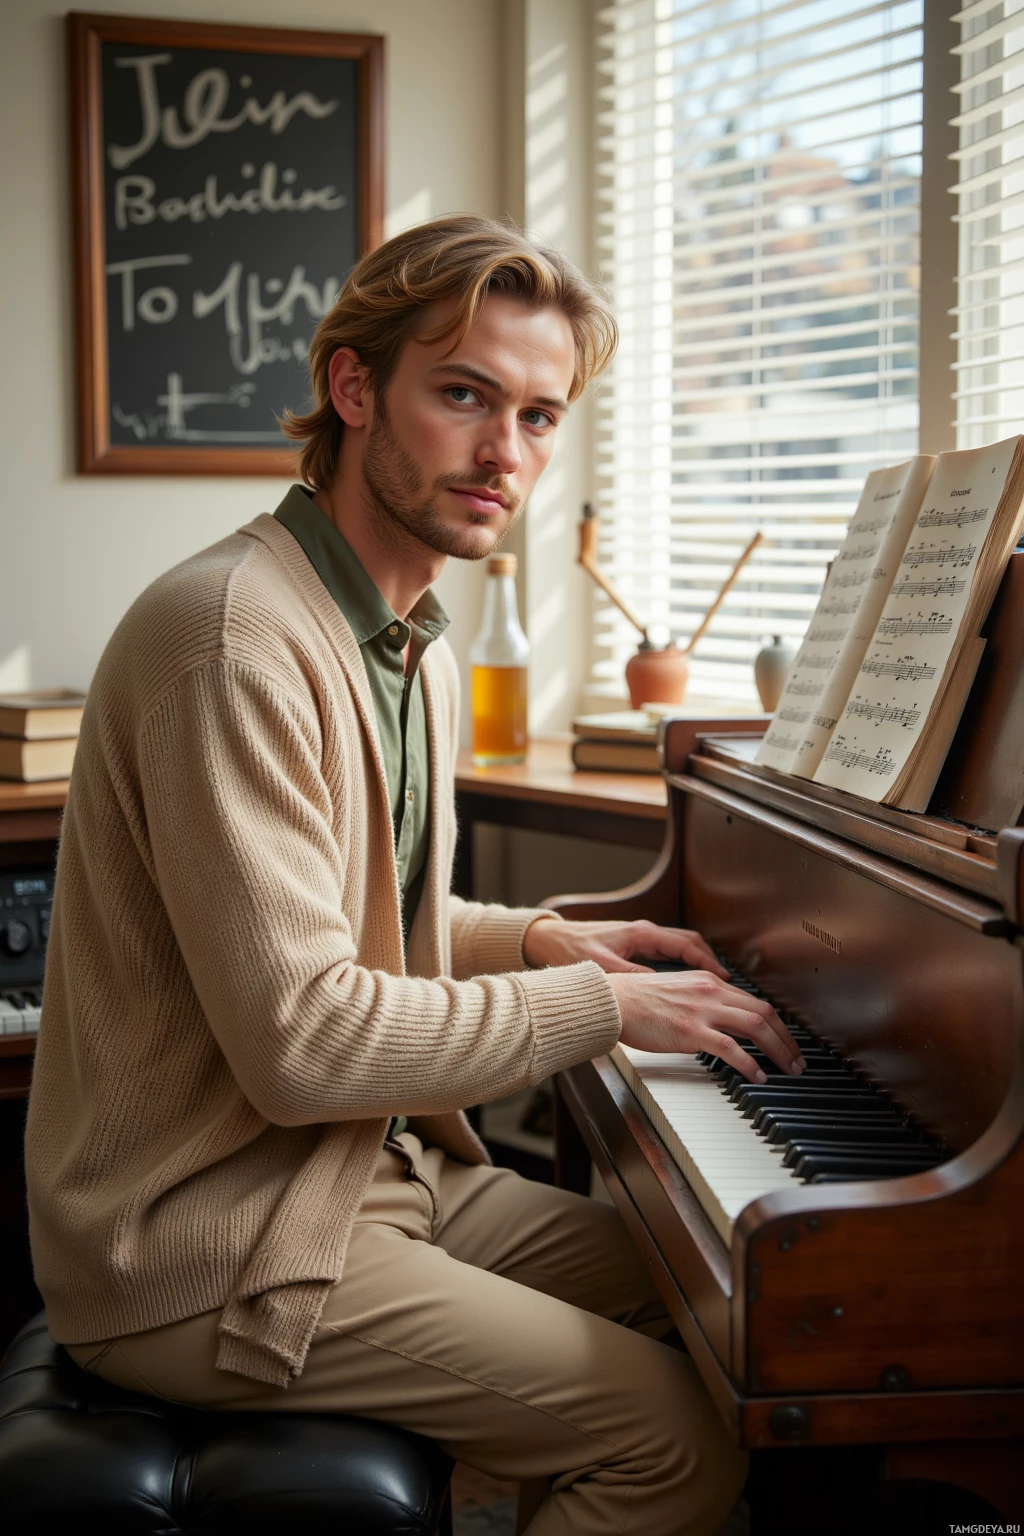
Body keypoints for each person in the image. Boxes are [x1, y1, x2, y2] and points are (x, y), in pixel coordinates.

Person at [25, 216, 804, 1536]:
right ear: (353, 389)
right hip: (199, 1246)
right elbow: (308, 1040)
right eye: (465, 396)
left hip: (364, 1181)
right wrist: (607, 1013)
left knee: (737, 1294)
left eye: (542, 417)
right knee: (675, 1438)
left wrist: (557, 946)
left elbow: (375, 918)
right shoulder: (232, 641)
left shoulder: (410, 643)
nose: (508, 455)